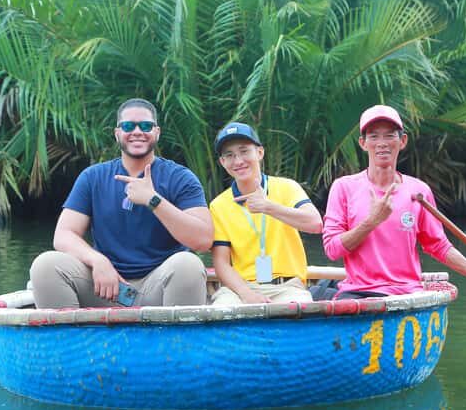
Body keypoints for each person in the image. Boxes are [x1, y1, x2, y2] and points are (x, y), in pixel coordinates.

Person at [322, 104, 466, 298]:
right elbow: (332, 249)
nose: (382, 143)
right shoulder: (344, 187)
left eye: (390, 135)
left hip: (408, 294)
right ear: (363, 143)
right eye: (374, 136)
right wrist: (371, 222)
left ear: (402, 141)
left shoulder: (418, 192)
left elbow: (439, 246)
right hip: (359, 292)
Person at [30, 98, 213, 308]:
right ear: (117, 133)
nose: (137, 132)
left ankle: (174, 332)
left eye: (146, 126)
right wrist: (97, 260)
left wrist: (153, 200)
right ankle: (77, 331)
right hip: (106, 286)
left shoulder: (180, 177)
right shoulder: (93, 177)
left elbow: (203, 240)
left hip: (159, 286)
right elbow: (63, 235)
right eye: (128, 126)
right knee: (46, 265)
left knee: (188, 265)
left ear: (157, 132)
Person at [209, 122, 323, 305]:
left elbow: (315, 224)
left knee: (299, 312)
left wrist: (268, 207)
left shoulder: (287, 187)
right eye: (229, 155)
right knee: (221, 310)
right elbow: (221, 263)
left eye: (244, 151)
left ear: (260, 152)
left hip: (287, 286)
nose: (238, 161)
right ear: (223, 162)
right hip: (241, 289)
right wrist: (246, 294)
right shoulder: (218, 205)